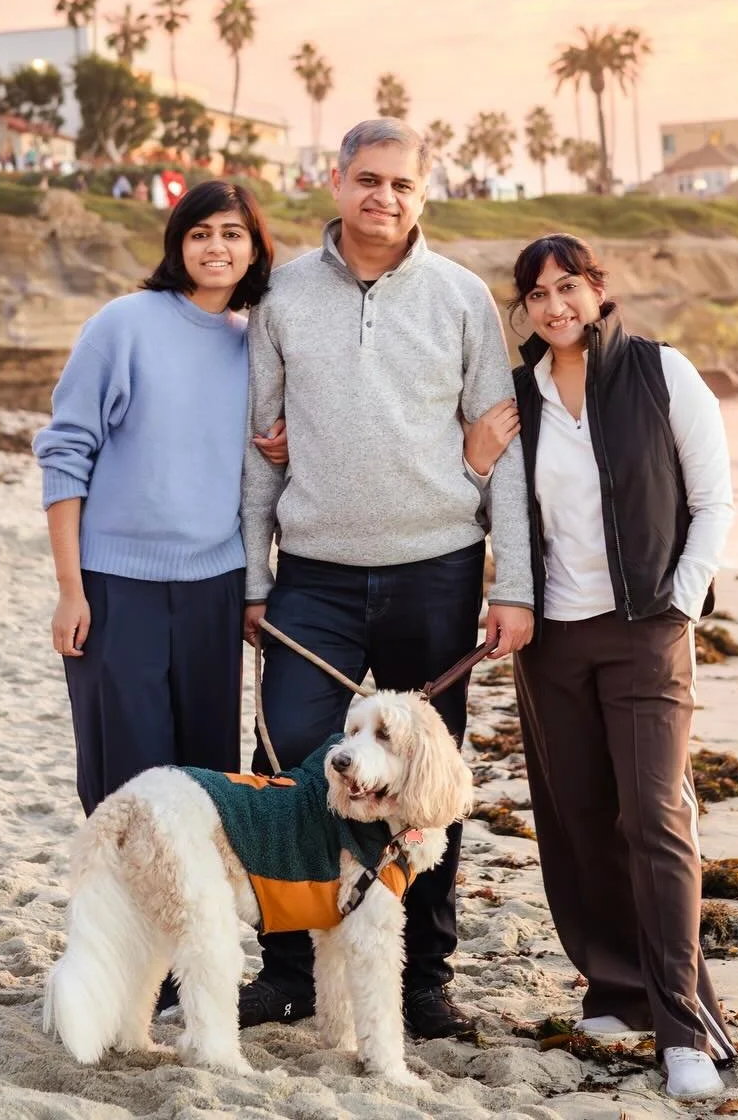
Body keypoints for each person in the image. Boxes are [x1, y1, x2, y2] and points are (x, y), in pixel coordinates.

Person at [238, 117, 534, 1041]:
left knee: (426, 774)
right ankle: (287, 968)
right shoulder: (282, 296)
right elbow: (260, 451)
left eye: (402, 185)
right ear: (335, 183)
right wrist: (255, 577)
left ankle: (422, 981)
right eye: (368, 180)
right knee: (287, 756)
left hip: (436, 568)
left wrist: (512, 583)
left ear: (422, 195)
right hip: (314, 576)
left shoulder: (459, 297)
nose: (384, 199)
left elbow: (505, 444)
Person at [469, 233, 736, 1100]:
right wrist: (474, 462)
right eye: (537, 294)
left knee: (654, 819)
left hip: (646, 630)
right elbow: (489, 511)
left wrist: (682, 600)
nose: (556, 306)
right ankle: (618, 987)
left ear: (597, 290)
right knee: (577, 816)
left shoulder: (662, 373)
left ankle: (684, 1026)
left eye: (569, 287)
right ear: (524, 307)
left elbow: (713, 498)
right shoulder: (519, 397)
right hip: (552, 639)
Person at [33, 180, 285, 824]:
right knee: (124, 784)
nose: (216, 247)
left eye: (232, 234)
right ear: (178, 244)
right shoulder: (123, 325)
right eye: (200, 233)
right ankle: (122, 919)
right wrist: (70, 588)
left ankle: (184, 921)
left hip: (215, 588)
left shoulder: (255, 344)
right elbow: (66, 452)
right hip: (117, 589)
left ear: (255, 249)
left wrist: (285, 450)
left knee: (203, 784)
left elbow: (262, 456)